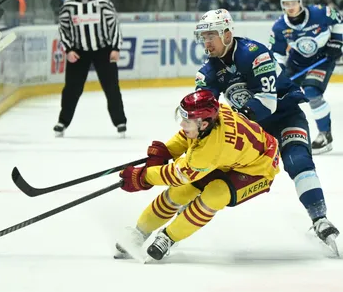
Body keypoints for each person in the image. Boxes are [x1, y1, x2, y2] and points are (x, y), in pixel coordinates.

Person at [188, 9, 339, 253]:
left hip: (284, 115)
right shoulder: (206, 72)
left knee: (297, 160)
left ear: (227, 34)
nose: (206, 42)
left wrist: (235, 120)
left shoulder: (254, 53)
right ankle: (174, 214)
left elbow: (267, 102)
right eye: (203, 37)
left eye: (211, 35)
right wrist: (193, 132)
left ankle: (319, 218)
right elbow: (204, 113)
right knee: (214, 164)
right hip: (253, 128)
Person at [115, 89, 280, 261]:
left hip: (260, 168)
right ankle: (140, 231)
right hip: (229, 158)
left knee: (215, 195)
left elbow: (177, 175)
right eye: (183, 119)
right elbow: (187, 138)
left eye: (187, 121)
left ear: (204, 124)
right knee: (180, 192)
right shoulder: (213, 116)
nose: (182, 125)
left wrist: (143, 176)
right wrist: (167, 151)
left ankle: (169, 237)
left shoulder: (210, 150)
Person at [269, 0, 343, 154]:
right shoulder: (279, 26)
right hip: (296, 62)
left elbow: (338, 20)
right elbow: (277, 53)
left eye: (293, 2)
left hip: (322, 59)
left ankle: (325, 135)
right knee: (281, 95)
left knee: (311, 92)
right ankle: (279, 135)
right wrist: (278, 70)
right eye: (286, 4)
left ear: (300, 2)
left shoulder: (320, 12)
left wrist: (337, 42)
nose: (290, 7)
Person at [53, 0, 127, 138]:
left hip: (103, 50)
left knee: (112, 88)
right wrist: (69, 50)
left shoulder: (103, 2)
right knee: (71, 89)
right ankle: (62, 122)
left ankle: (120, 121)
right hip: (78, 52)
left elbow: (113, 25)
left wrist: (115, 48)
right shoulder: (69, 4)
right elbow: (63, 29)